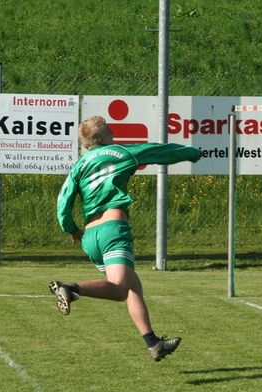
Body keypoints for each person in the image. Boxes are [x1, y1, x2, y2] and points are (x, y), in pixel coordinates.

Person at [51, 115, 200, 362]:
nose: (112, 132)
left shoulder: (78, 166)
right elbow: (158, 151)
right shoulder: (120, 152)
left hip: (90, 237)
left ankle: (154, 343)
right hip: (113, 231)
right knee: (120, 289)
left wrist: (72, 230)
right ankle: (70, 289)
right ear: (100, 139)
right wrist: (191, 153)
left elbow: (62, 203)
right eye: (109, 130)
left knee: (133, 287)